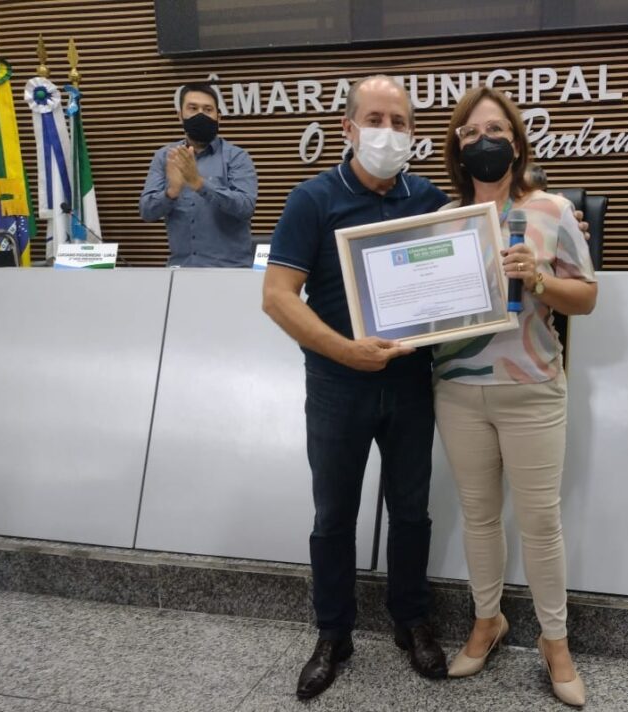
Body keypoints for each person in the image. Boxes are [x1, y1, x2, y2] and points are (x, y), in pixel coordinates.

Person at [261, 75, 449, 699]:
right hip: (338, 385)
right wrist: (345, 350)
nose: (388, 133)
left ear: (413, 134)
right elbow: (276, 297)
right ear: (347, 127)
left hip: (411, 384)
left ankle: (411, 620)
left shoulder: (429, 199)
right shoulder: (312, 199)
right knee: (333, 514)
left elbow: (465, 271)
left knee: (412, 511)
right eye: (376, 119)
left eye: (400, 123)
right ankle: (334, 632)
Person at [436, 86, 597, 707]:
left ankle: (554, 642)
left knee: (539, 523)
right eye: (472, 133)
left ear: (517, 140)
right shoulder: (442, 223)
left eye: (496, 130)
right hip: (458, 392)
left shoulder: (552, 210)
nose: (484, 141)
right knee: (478, 516)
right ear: (457, 144)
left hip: (531, 389)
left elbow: (586, 297)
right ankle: (488, 620)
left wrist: (539, 277)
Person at [140, 81, 257, 267]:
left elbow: (245, 208)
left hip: (230, 270)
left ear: (218, 117)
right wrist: (171, 192)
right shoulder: (166, 157)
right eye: (193, 108)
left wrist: (200, 184)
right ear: (180, 115)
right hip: (182, 270)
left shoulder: (236, 157)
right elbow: (147, 212)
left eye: (208, 109)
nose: (200, 115)